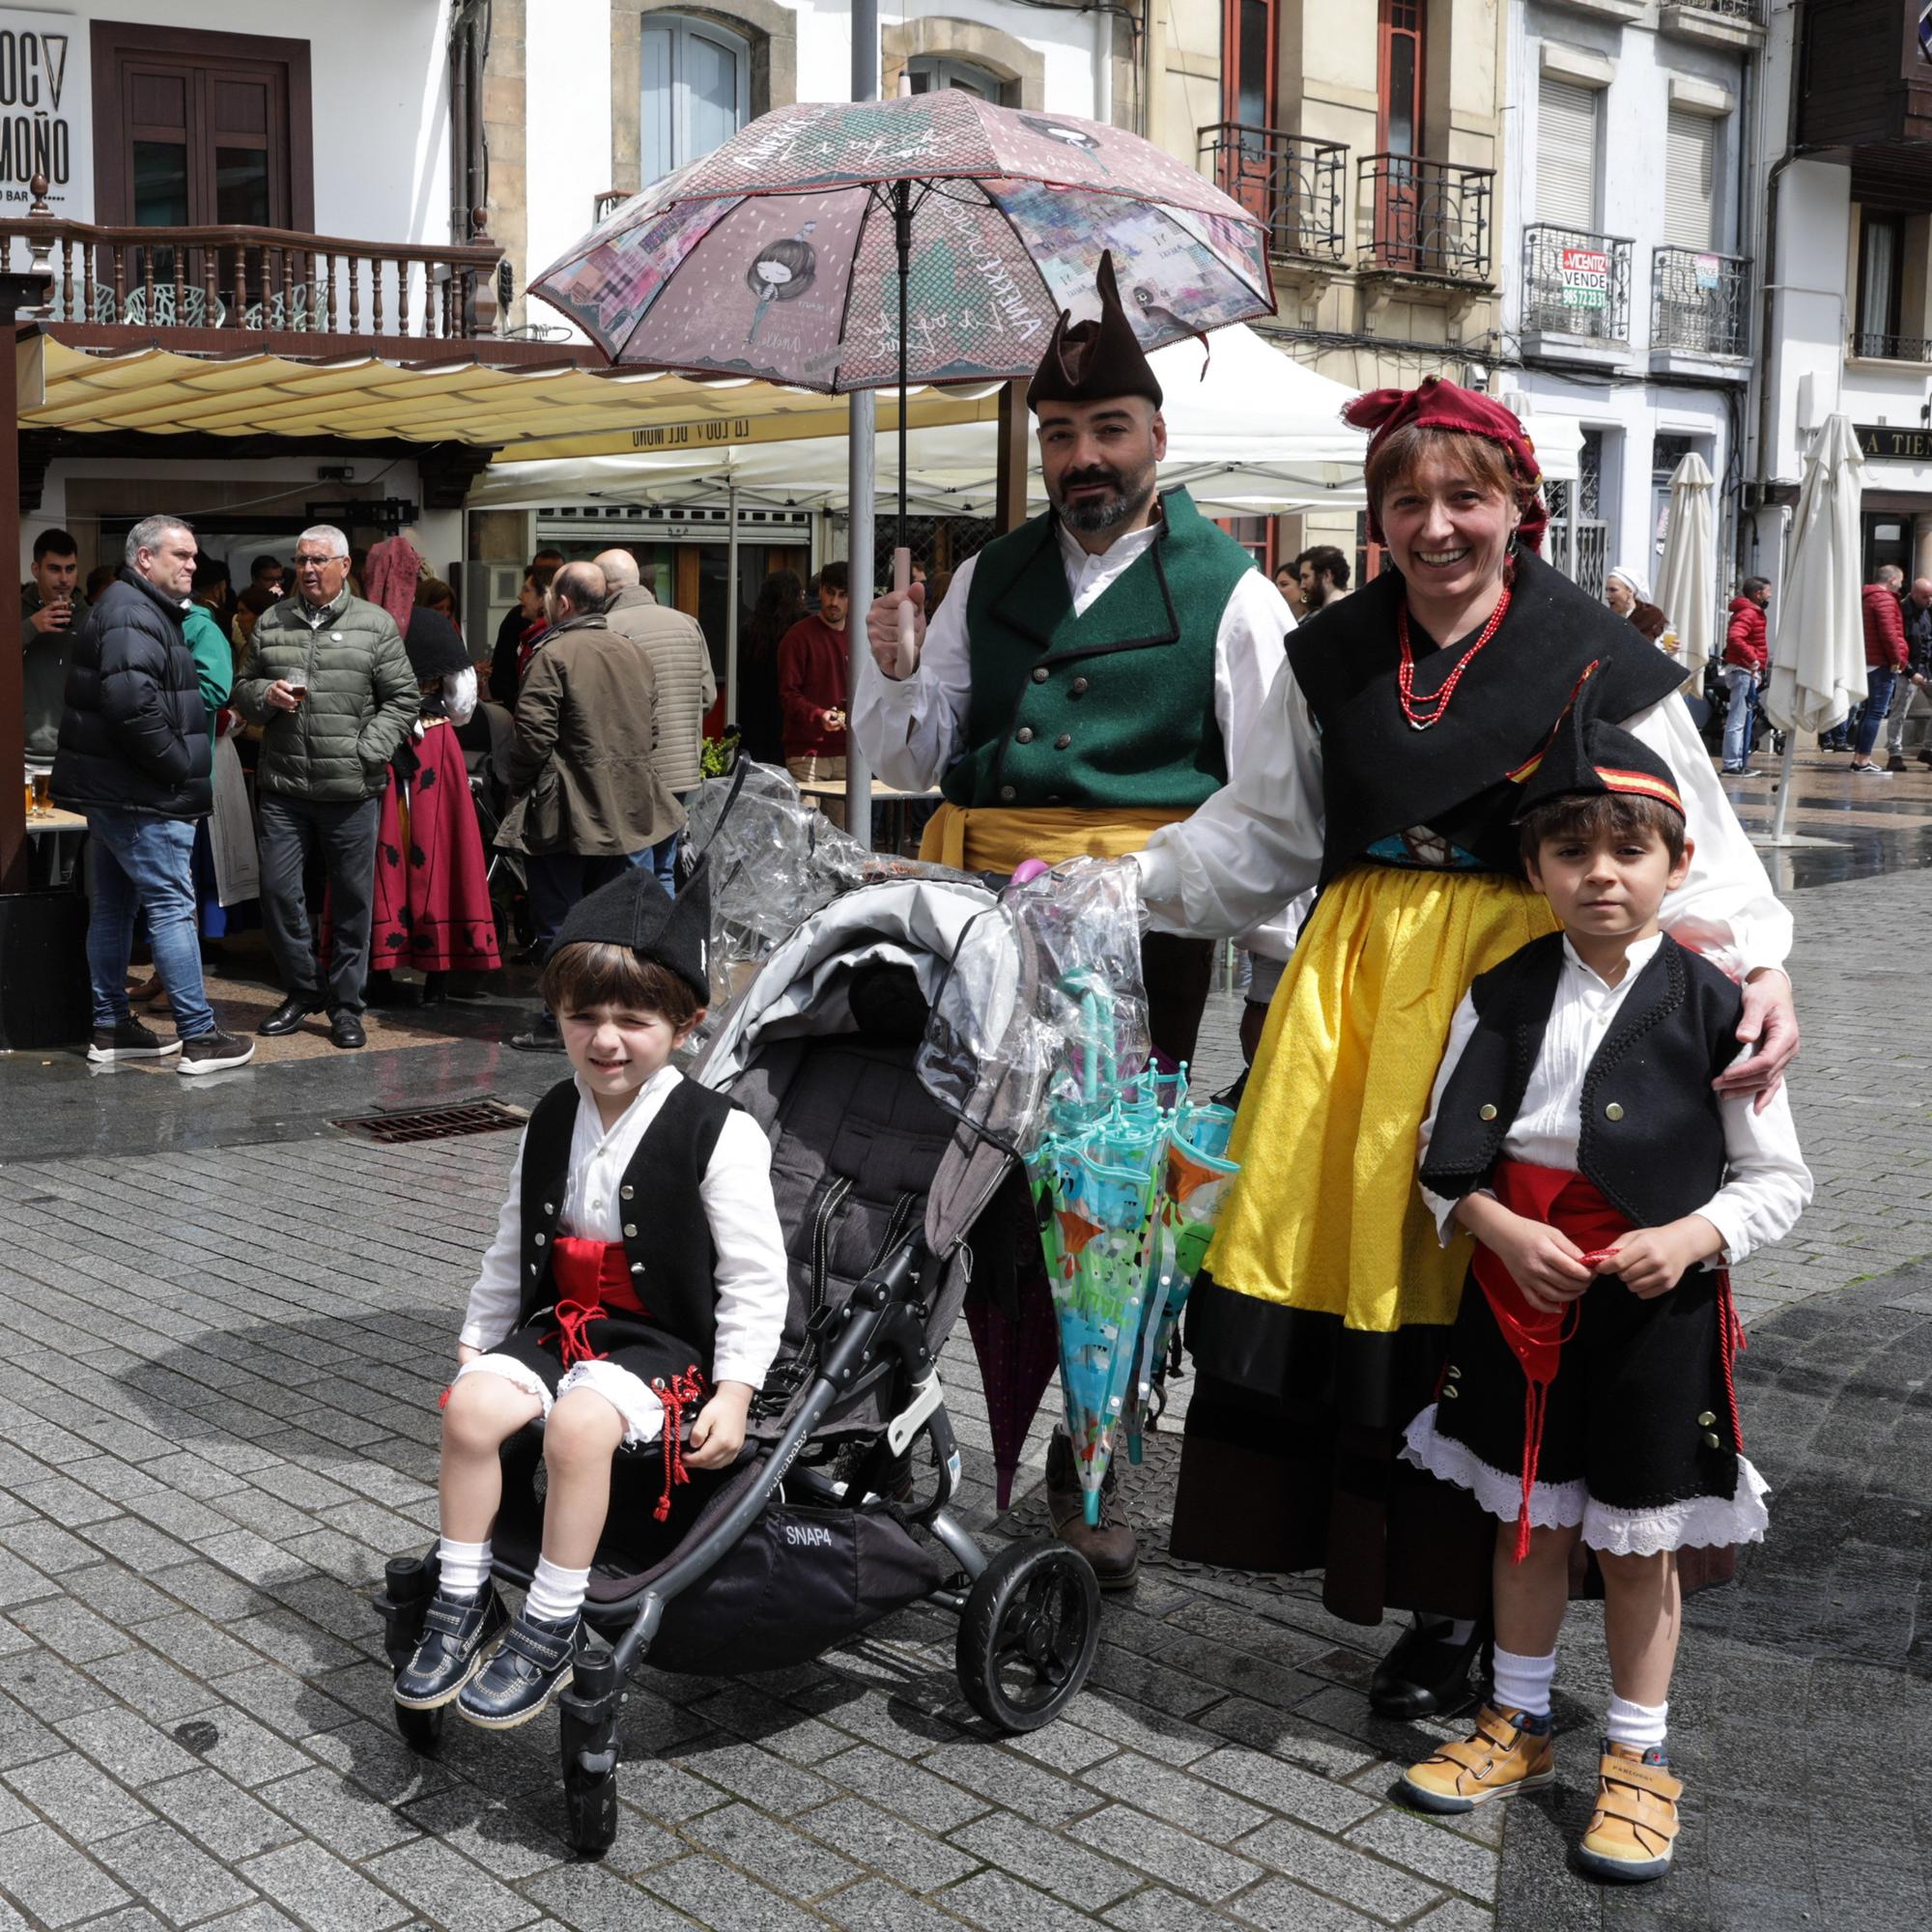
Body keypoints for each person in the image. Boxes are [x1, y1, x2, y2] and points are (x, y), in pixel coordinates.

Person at [1127, 377, 1800, 1717]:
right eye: (1405, 502)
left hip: (1537, 989)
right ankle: (1428, 1598)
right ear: (1376, 517)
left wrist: (1764, 961)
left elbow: (1696, 843)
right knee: (1382, 1280)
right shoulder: (1331, 657)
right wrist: (1112, 887)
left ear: (1521, 510)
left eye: (1464, 499)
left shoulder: (1597, 657)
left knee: (1495, 1299)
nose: (1435, 527)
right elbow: (1261, 835)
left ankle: (1507, 1620)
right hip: (1360, 1013)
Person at [856, 250, 1293, 1585]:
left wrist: (1133, 891)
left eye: (1108, 429)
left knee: (1106, 1207)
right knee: (969, 1200)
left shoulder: (1236, 593)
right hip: (982, 920)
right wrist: (888, 675)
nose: (1082, 456)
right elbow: (923, 758)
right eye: (1059, 435)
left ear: (1158, 435)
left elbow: (1276, 813)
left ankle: (1096, 1463)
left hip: (1140, 941)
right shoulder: (990, 577)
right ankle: (963, 1439)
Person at [1396, 710, 1809, 1883]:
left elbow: (1779, 1180)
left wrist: (1687, 1234)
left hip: (1652, 1313)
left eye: (1628, 851)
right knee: (1523, 1518)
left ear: (1677, 865)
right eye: (1570, 852)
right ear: (1532, 870)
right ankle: (1515, 1721)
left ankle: (1636, 1756)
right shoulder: (1501, 988)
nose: (1599, 874)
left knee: (1637, 1543)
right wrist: (1489, 1223)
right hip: (1514, 1289)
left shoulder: (1718, 1004)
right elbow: (1441, 1149)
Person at [393, 864, 787, 1725]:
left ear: (685, 1025)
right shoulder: (549, 1115)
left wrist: (735, 1389)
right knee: (467, 1408)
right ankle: (462, 1601)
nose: (606, 1040)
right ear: (559, 1019)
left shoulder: (721, 1131)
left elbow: (756, 1277)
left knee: (577, 1428)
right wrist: (481, 1332)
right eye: (583, 1017)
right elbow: (513, 1237)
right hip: (560, 1326)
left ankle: (552, 1619)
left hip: (660, 1344)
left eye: (634, 1020)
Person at [49, 515, 255, 1074]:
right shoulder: (130, 611)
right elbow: (130, 705)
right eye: (180, 555)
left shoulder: (132, 608)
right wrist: (177, 764)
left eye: (193, 556)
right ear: (144, 559)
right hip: (141, 793)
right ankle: (199, 1036)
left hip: (124, 792)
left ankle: (112, 1025)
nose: (193, 565)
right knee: (170, 907)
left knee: (116, 907)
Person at [232, 523, 419, 1051]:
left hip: (351, 788)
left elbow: (403, 698)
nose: (308, 570)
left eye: (319, 560)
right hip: (285, 788)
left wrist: (368, 748)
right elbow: (242, 692)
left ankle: (346, 1005)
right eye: (301, 561)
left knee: (354, 901)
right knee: (276, 892)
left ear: (343, 567)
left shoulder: (375, 625)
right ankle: (302, 990)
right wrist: (264, 694)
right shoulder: (272, 620)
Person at [495, 561, 684, 1053]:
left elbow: (531, 736)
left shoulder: (553, 654)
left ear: (563, 603)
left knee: (560, 921)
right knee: (618, 924)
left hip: (567, 812)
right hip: (630, 811)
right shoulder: (633, 653)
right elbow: (652, 731)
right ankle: (616, 1015)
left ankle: (563, 1020)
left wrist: (517, 783)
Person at [361, 607, 501, 1005]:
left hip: (378, 743)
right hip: (432, 745)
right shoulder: (435, 626)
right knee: (437, 851)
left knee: (381, 848)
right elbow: (461, 706)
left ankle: (379, 970)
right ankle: (436, 974)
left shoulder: (365, 619)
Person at [594, 548, 716, 893]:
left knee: (633, 869)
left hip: (629, 769)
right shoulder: (686, 623)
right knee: (664, 865)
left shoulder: (606, 629)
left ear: (604, 586)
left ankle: (639, 942)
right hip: (680, 770)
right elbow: (708, 697)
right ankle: (662, 942)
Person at [780, 558, 850, 825]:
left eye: (842, 595)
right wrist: (818, 715)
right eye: (830, 592)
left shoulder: (861, 635)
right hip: (806, 751)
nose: (834, 601)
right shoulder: (798, 637)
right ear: (820, 590)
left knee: (844, 838)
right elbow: (788, 694)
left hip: (847, 750)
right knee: (808, 835)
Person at [22, 527, 86, 766]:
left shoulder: (91, 617)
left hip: (78, 751)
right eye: (54, 569)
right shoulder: (12, 613)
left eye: (70, 569)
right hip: (23, 752)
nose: (64, 579)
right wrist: (30, 627)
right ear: (36, 569)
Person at [738, 570, 803, 766]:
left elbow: (742, 673)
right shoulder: (798, 630)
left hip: (753, 713)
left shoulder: (750, 630)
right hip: (783, 717)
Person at [490, 549, 564, 706]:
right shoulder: (528, 633)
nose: (519, 596)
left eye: (526, 590)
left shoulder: (546, 642)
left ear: (542, 597)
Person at [1853, 564, 1907, 774]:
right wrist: (1898, 660)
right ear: (1892, 580)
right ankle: (1863, 760)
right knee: (1876, 712)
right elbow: (1889, 633)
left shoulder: (1867, 597)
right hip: (1881, 663)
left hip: (1868, 660)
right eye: (1900, 581)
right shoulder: (1884, 599)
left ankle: (1859, 757)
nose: (1901, 585)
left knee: (1868, 712)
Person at [1720, 576, 1771, 774]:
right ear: (1758, 594)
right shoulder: (1749, 613)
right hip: (1743, 670)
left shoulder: (1750, 612)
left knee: (1740, 719)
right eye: (1768, 592)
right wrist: (1753, 658)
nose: (1770, 595)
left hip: (1744, 670)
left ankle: (1738, 762)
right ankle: (1732, 764)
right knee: (1737, 720)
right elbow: (1735, 637)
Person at [1886, 575, 1932, 772]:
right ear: (1914, 594)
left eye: (1931, 596)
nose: (1929, 600)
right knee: (1899, 712)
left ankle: (1928, 749)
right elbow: (1896, 644)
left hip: (1928, 668)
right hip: (1907, 669)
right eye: (1925, 597)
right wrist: (1909, 671)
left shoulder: (1929, 611)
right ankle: (1895, 753)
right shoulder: (1901, 611)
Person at [1604, 565, 1680, 661]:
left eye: (1613, 590)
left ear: (1630, 591)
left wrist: (1672, 653)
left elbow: (1670, 658)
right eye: (1606, 590)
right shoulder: (1607, 620)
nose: (1607, 596)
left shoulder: (1651, 616)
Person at [1298, 543, 1352, 612]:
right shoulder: (1348, 610)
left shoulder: (1337, 615)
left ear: (1327, 575)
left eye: (1306, 577)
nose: (1302, 586)